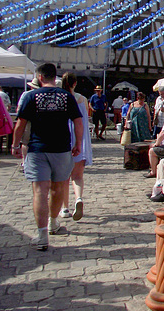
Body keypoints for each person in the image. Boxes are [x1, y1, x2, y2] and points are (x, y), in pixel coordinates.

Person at [11, 63, 83, 251]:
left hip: (37, 148)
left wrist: (16, 144)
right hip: (61, 149)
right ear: (54, 77)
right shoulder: (66, 96)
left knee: (40, 191)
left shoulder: (31, 96)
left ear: (40, 77)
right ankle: (53, 223)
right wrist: (78, 144)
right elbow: (78, 122)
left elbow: (20, 123)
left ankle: (42, 235)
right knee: (58, 188)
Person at [59, 72, 92, 221]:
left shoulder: (61, 99)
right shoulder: (82, 99)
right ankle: (78, 198)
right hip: (80, 140)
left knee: (63, 178)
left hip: (64, 140)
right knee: (77, 176)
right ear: (75, 83)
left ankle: (64, 208)